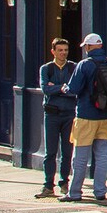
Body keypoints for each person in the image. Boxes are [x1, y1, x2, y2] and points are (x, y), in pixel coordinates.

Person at [63, 33, 107, 203]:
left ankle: (75, 192)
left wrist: (64, 89)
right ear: (101, 46)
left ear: (89, 47)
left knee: (80, 157)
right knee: (103, 156)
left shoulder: (84, 65)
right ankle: (100, 191)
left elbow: (74, 89)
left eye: (85, 46)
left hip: (86, 116)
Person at [37, 37, 76, 199]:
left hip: (69, 114)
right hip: (51, 114)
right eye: (60, 50)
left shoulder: (73, 67)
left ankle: (64, 183)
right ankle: (48, 185)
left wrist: (57, 88)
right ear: (53, 51)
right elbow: (45, 89)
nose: (63, 53)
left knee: (67, 151)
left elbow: (75, 90)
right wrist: (63, 88)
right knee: (50, 152)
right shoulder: (46, 69)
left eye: (65, 50)